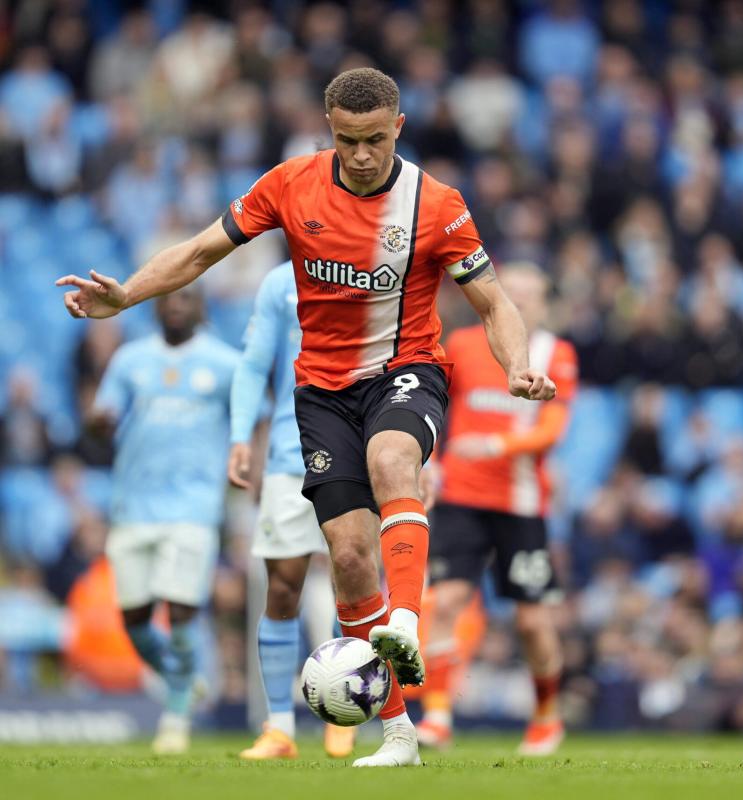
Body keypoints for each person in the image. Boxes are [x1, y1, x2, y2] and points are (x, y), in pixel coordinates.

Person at [57, 67, 556, 768]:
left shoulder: (435, 204)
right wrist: (126, 296)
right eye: (348, 141)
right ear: (329, 129)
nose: (360, 155)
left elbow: (495, 302)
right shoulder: (289, 185)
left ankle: (404, 623)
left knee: (392, 461)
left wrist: (515, 367)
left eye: (375, 140)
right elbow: (201, 252)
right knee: (350, 560)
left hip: (404, 372)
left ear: (398, 129)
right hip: (320, 393)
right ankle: (398, 735)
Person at [415, 263, 577, 756]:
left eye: (532, 294)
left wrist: (497, 445)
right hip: (461, 498)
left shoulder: (556, 354)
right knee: (444, 604)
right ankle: (438, 717)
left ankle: (547, 716)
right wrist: (431, 462)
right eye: (515, 293)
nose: (522, 302)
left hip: (521, 503)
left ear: (546, 303)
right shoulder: (463, 345)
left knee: (532, 621)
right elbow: (434, 410)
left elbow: (552, 429)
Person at [90, 286, 239, 754]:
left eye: (188, 299)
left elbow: (247, 418)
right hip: (133, 504)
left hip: (194, 507)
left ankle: (175, 717)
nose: (177, 305)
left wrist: (245, 458)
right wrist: (99, 423)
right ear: (156, 307)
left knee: (180, 610)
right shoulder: (130, 360)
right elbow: (103, 413)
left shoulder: (224, 363)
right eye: (170, 299)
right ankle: (185, 678)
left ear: (202, 307)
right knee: (134, 619)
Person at [229, 262, 353, 760]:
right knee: (282, 585)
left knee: (354, 578)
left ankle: (345, 710)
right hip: (289, 449)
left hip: (357, 446)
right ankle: (279, 725)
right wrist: (241, 435)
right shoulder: (281, 281)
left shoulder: (377, 267)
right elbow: (255, 364)